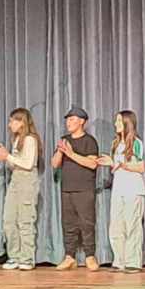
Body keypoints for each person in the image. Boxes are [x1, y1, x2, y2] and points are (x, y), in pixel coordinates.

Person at [0, 108, 41, 270]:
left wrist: (8, 156)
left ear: (22, 122)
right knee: (9, 220)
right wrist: (5, 157)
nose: (9, 124)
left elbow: (28, 164)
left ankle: (27, 258)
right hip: (15, 181)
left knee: (25, 221)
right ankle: (14, 256)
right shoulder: (17, 139)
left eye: (12, 121)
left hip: (27, 182)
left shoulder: (30, 139)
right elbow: (15, 164)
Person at [96, 110, 145, 272]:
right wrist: (111, 163)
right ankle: (119, 260)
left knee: (132, 226)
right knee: (116, 226)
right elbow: (116, 167)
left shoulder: (136, 143)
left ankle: (133, 262)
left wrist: (124, 165)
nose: (115, 124)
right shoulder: (116, 144)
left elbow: (141, 167)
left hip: (133, 189)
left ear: (127, 123)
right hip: (118, 189)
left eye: (119, 121)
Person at [52, 106, 99, 271]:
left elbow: (92, 163)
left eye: (72, 119)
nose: (68, 123)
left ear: (82, 122)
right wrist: (61, 151)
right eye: (67, 119)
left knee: (87, 224)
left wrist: (71, 154)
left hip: (84, 189)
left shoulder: (89, 141)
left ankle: (90, 256)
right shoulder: (64, 139)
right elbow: (54, 164)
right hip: (67, 189)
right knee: (68, 224)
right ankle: (69, 257)